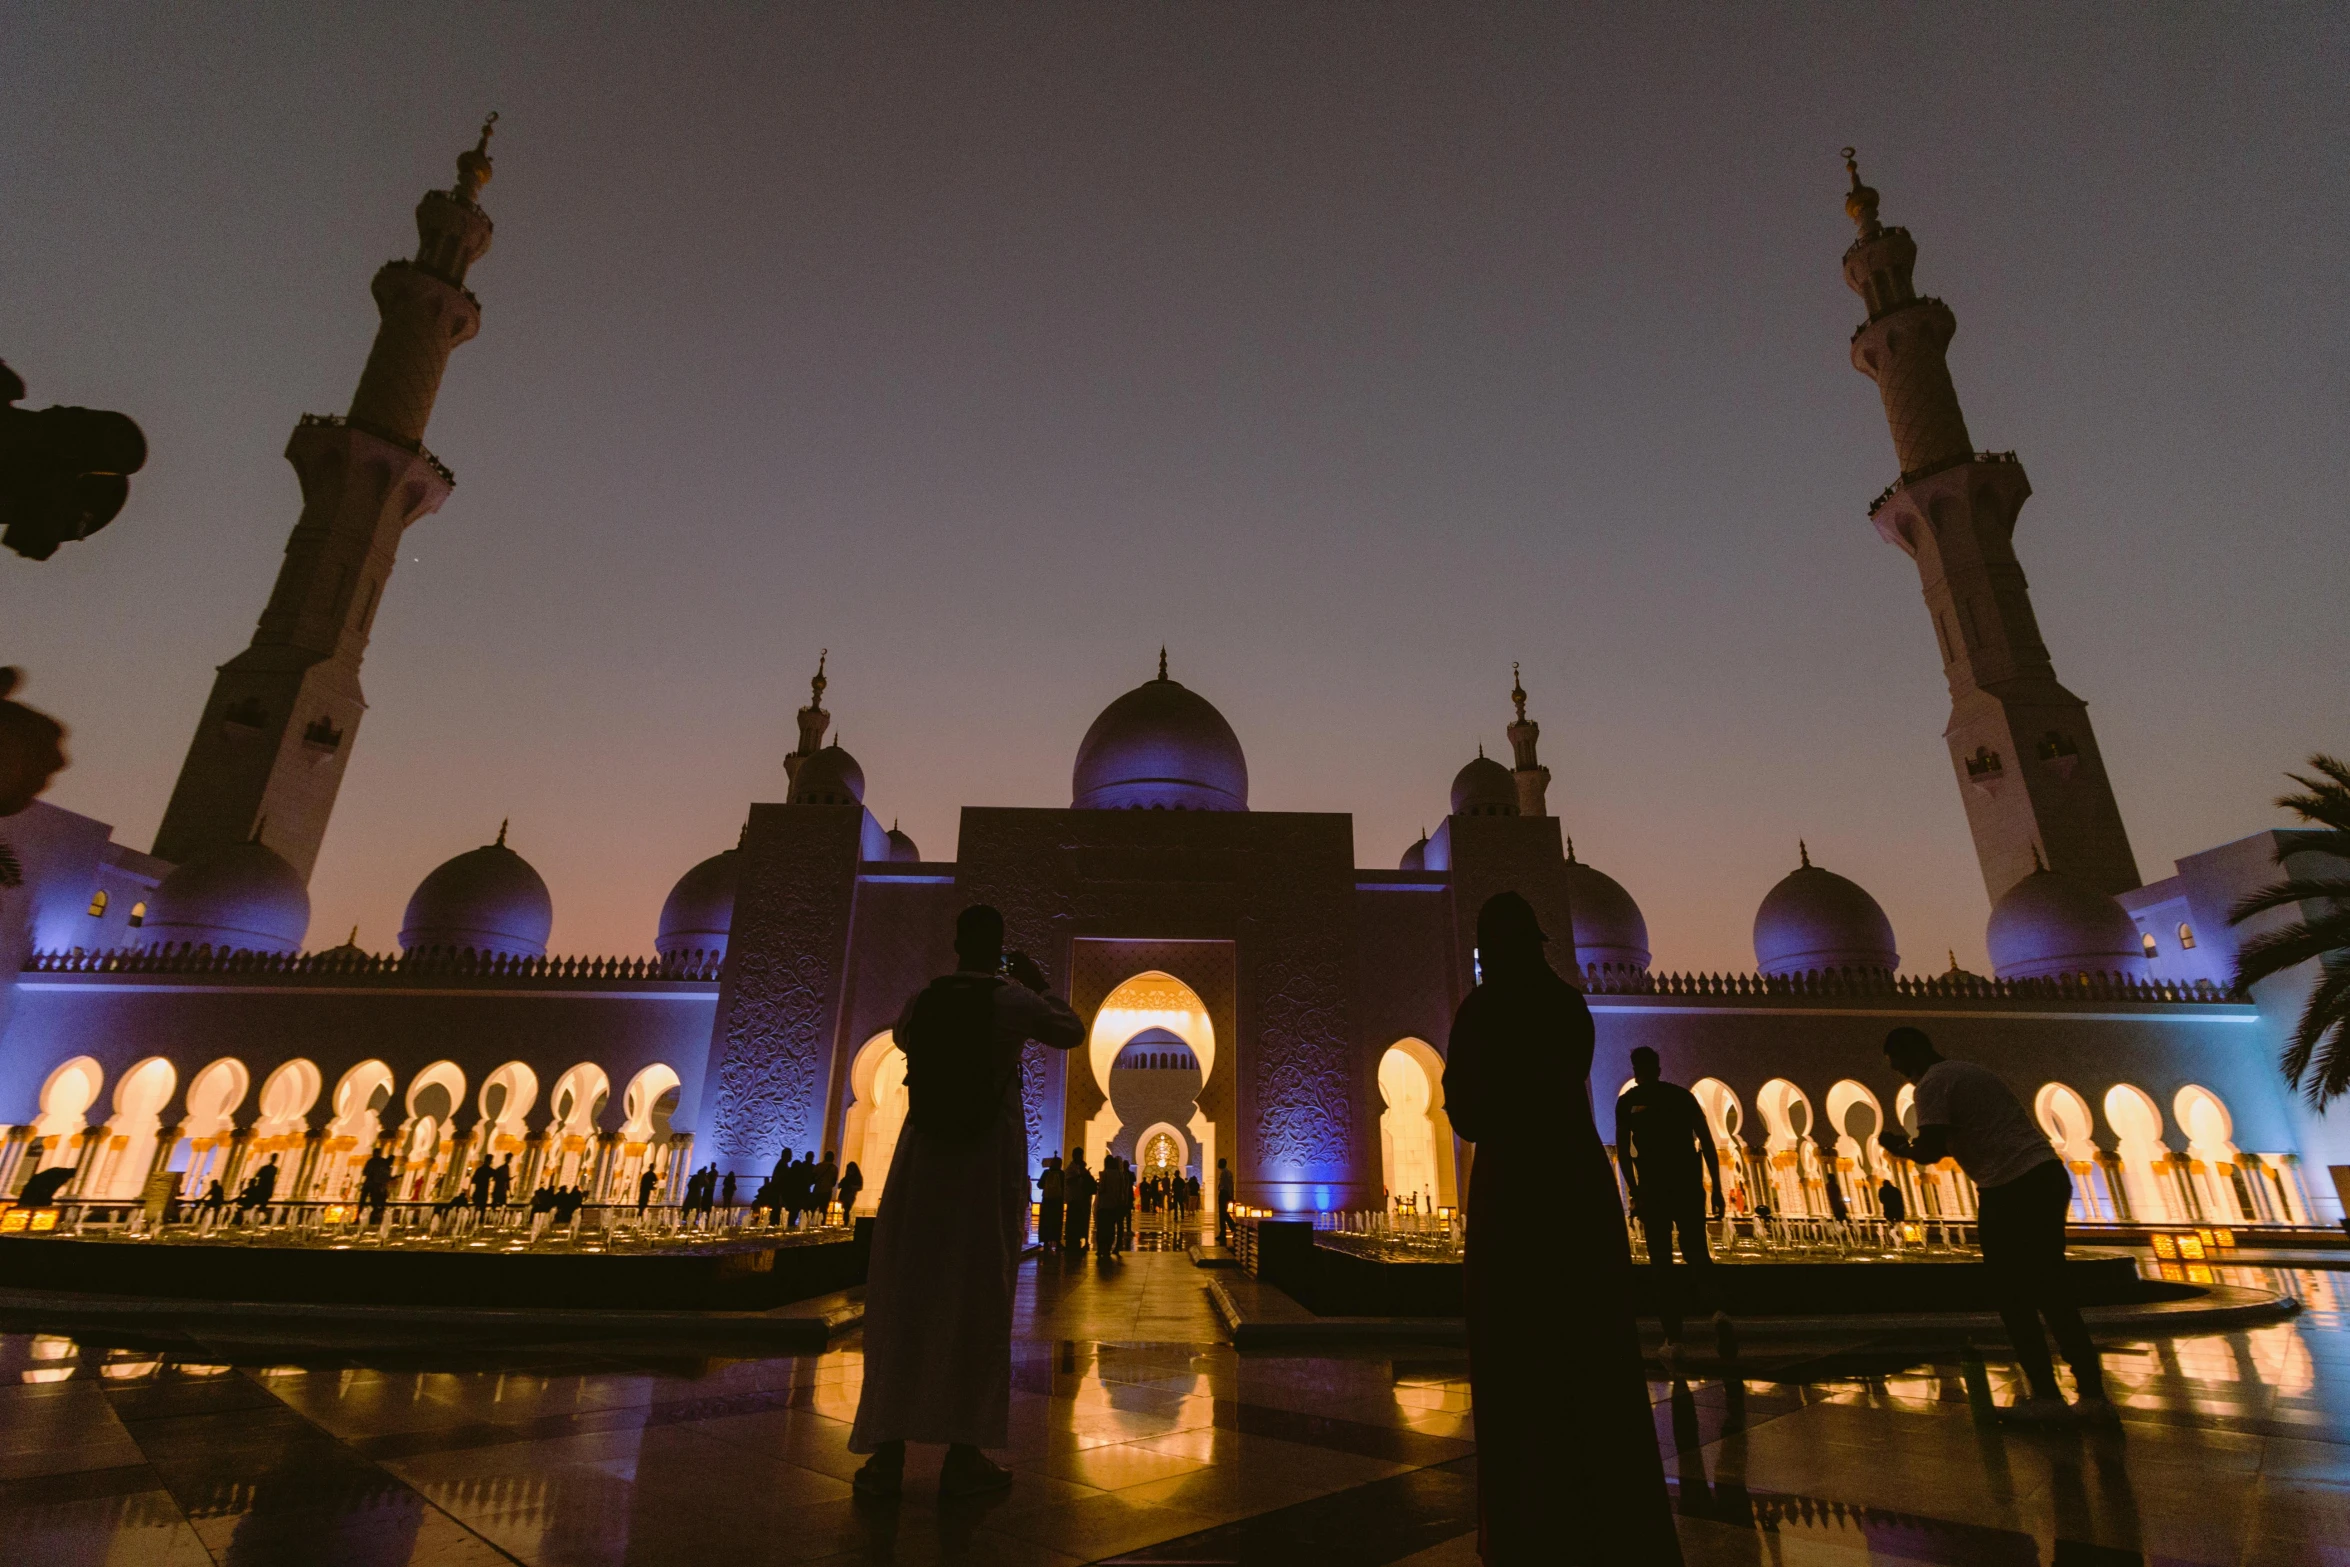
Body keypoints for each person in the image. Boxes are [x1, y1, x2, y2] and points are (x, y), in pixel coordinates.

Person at [1443, 891, 1680, 1564]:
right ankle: (1611, 1523)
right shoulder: (1569, 1007)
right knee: (1596, 1355)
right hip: (1576, 1190)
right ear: (1539, 943)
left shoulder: (1482, 1009)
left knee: (1517, 1361)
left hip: (1513, 1196)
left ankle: (1531, 1526)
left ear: (1489, 948)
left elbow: (1467, 1110)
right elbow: (1556, 1082)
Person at [849, 904, 1083, 1499]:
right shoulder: (1011, 1001)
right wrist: (1034, 981)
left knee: (906, 1294)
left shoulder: (922, 1001)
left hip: (922, 1166)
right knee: (979, 1294)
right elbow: (1069, 1029)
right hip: (981, 1165)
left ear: (955, 943)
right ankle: (964, 1452)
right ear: (999, 947)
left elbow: (904, 1038)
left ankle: (887, 1452)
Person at [1878, 1026, 2112, 1424]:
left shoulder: (1933, 1082)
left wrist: (1897, 1146)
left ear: (1912, 1053)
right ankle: (2091, 1395)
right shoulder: (1969, 1071)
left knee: (2013, 1294)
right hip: (2044, 1176)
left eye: (1898, 1063)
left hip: (2011, 1186)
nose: (1901, 1073)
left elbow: (1930, 1151)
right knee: (2051, 1287)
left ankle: (2047, 1397)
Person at [1617, 1045, 1727, 1369]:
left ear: (1637, 1069)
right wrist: (1717, 1188)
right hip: (1688, 1186)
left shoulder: (1628, 1103)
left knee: (1661, 1264)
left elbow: (1624, 1152)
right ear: (1659, 1068)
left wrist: (1634, 1191)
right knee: (1697, 1253)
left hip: (1654, 1190)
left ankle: (1675, 1342)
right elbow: (1706, 1142)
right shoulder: (1681, 1097)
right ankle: (1719, 1313)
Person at [1062, 1152, 1095, 1254]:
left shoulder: (1080, 1168)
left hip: (1082, 1199)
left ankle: (1081, 1240)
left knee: (1082, 1220)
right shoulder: (1071, 1169)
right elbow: (1068, 1181)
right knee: (1074, 1221)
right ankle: (1072, 1240)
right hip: (1074, 1199)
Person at [360, 1146, 394, 1226]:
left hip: (370, 1184)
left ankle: (365, 1218)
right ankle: (372, 1219)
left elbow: (365, 1172)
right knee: (373, 1202)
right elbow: (386, 1176)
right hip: (375, 1185)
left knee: (365, 1201)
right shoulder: (381, 1162)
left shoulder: (372, 1161)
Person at [1038, 1155, 1065, 1253]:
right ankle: (1057, 1241)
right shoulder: (1062, 1174)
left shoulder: (1046, 1173)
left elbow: (1039, 1185)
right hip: (1057, 1201)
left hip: (1047, 1200)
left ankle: (1045, 1241)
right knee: (1056, 1221)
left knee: (1046, 1220)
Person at [813, 1150, 840, 1224]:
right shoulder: (834, 1168)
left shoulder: (818, 1166)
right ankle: (821, 1225)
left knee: (812, 1209)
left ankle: (808, 1223)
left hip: (817, 1190)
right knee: (823, 1210)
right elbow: (834, 1182)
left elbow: (813, 1177)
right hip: (827, 1192)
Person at [1215, 1158, 1234, 1246]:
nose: (1217, 1164)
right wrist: (1231, 1196)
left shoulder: (1224, 1173)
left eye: (1219, 1162)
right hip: (1226, 1194)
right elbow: (1231, 1185)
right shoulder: (1228, 1172)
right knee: (1223, 1214)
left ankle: (1233, 1227)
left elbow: (1226, 1185)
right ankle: (1223, 1233)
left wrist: (1228, 1195)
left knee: (1223, 1213)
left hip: (1224, 1194)